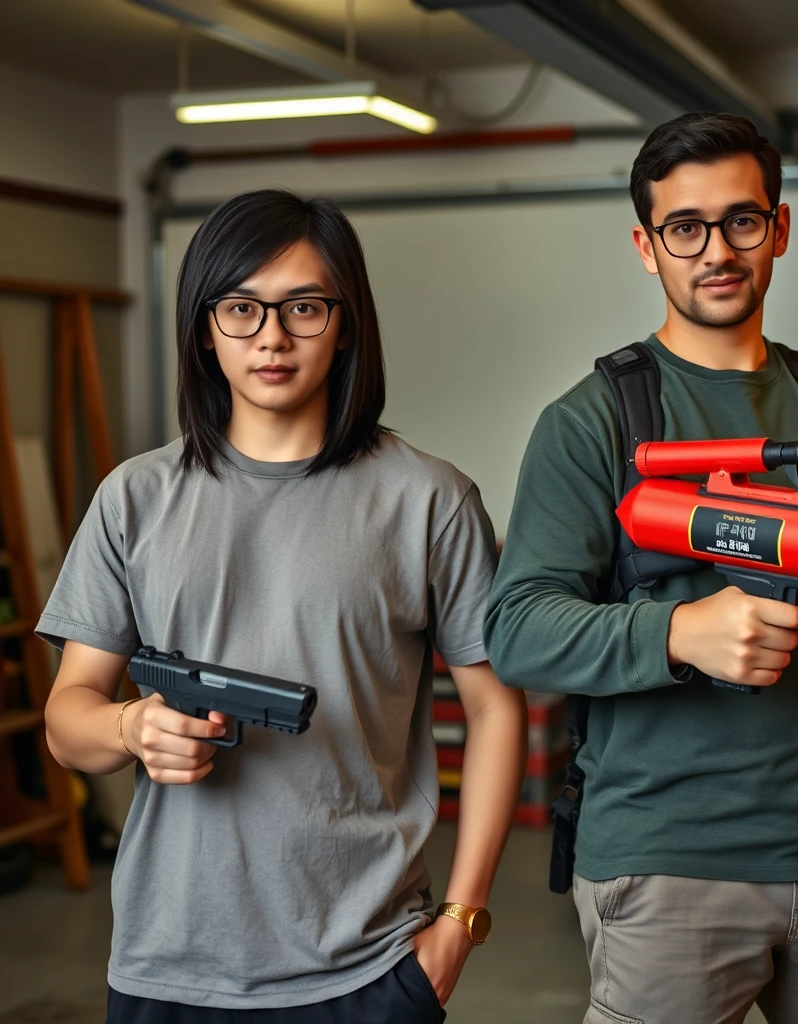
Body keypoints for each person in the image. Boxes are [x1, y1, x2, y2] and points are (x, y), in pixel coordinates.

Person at [484, 112, 798, 1024]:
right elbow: (518, 629)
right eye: (683, 228)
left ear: (780, 228)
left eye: (741, 220)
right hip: (668, 868)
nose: (715, 250)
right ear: (647, 247)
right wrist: (681, 634)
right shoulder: (592, 421)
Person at [42, 189, 527, 1024]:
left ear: (345, 324)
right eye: (241, 308)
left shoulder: (429, 500)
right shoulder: (134, 498)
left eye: (303, 306)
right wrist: (131, 728)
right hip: (167, 968)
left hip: (368, 968)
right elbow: (67, 721)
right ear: (205, 327)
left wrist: (458, 922)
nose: (271, 336)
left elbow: (496, 710)